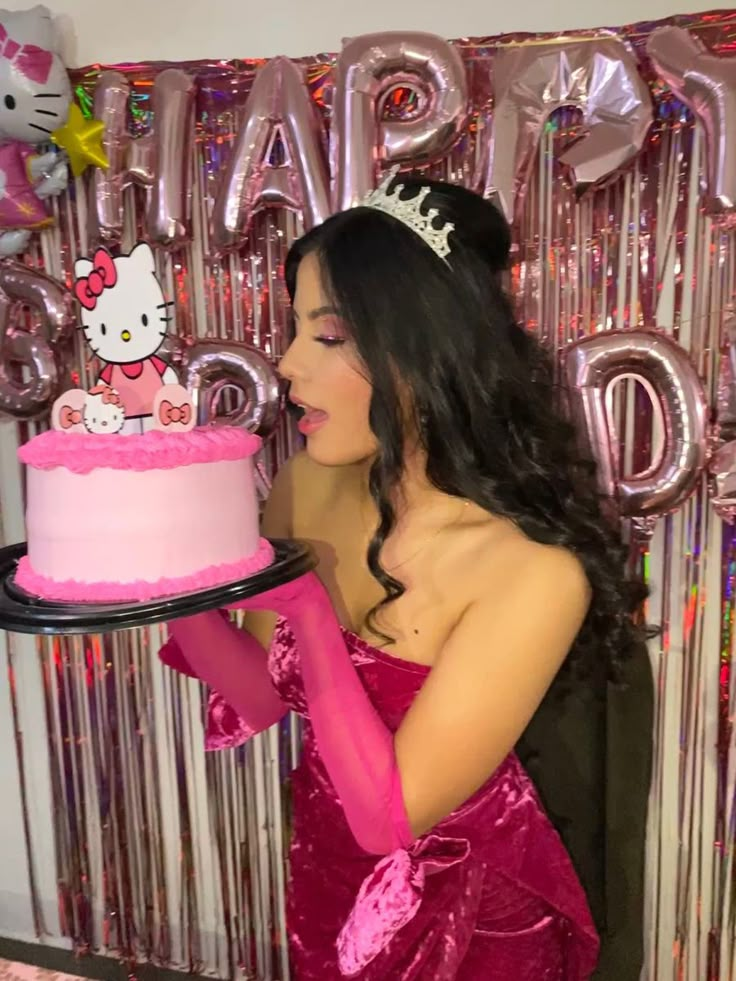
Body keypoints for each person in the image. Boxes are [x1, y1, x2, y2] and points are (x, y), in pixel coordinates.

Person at [160, 171, 654, 979]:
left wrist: (313, 615)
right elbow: (255, 696)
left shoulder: (530, 570)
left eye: (327, 336)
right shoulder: (306, 485)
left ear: (421, 352)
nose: (285, 364)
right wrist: (170, 588)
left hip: (466, 919)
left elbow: (390, 817)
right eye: (294, 331)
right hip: (326, 875)